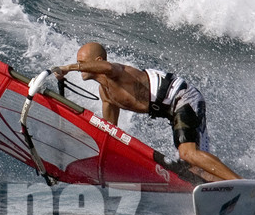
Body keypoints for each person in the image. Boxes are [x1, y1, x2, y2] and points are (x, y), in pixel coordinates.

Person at [51, 42, 240, 182]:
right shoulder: (106, 94)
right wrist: (75, 135)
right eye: (77, 62)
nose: (79, 65)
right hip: (171, 109)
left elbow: (108, 67)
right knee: (193, 169)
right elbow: (109, 130)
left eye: (81, 62)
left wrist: (68, 68)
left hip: (183, 97)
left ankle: (240, 182)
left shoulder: (118, 72)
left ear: (97, 61)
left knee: (188, 154)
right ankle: (229, 190)